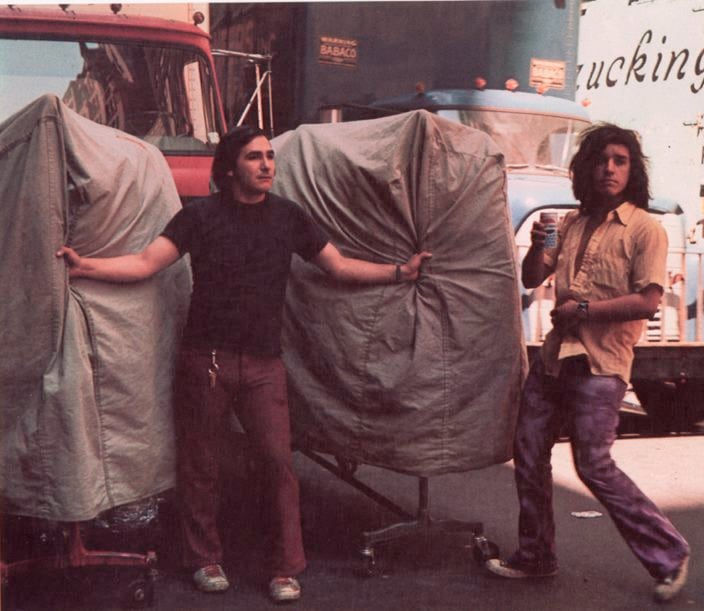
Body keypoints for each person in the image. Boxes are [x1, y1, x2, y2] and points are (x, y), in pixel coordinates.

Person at [56, 125, 431, 604]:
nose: (267, 165)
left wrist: (400, 272)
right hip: (205, 360)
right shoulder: (200, 216)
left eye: (270, 156)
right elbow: (146, 263)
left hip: (263, 365)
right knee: (200, 465)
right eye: (255, 157)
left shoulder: (288, 217)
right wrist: (85, 266)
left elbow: (337, 266)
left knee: (277, 464)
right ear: (230, 167)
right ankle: (204, 559)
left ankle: (285, 568)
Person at [485, 123, 690, 602]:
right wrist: (539, 246)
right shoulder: (573, 224)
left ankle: (669, 554)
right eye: (601, 160)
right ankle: (536, 556)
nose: (609, 169)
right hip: (556, 359)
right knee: (528, 452)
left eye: (620, 161)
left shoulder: (645, 229)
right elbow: (532, 277)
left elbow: (648, 301)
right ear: (586, 169)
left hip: (601, 365)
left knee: (594, 465)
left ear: (633, 171)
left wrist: (584, 310)